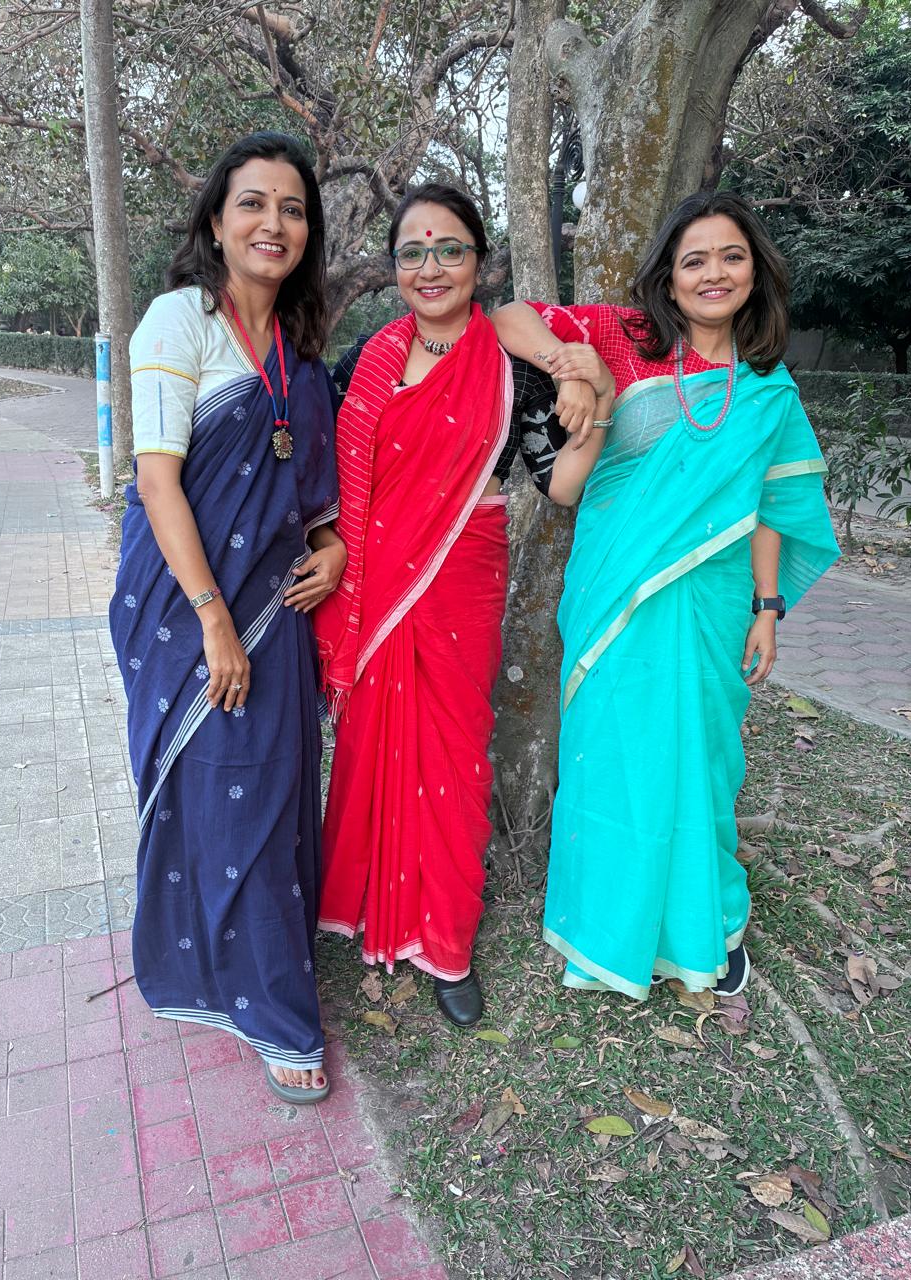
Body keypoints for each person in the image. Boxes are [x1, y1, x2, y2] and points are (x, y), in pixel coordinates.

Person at [492, 190, 839, 1001]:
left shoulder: (768, 386)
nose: (714, 274)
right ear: (670, 278)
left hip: (715, 603)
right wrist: (574, 366)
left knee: (702, 760)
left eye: (731, 257)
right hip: (613, 594)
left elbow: (773, 507)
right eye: (695, 261)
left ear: (754, 273)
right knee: (615, 755)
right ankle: (608, 929)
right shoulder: (625, 335)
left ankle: (700, 925)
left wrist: (767, 608)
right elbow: (509, 316)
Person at [314, 183, 610, 1026]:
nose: (432, 267)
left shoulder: (514, 367)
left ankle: (444, 939)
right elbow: (322, 475)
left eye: (451, 249)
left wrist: (595, 401)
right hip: (378, 581)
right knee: (371, 741)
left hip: (464, 578)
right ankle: (362, 909)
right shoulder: (366, 362)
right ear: (395, 267)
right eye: (413, 252)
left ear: (480, 261)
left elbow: (560, 486)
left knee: (454, 756)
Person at [109, 131, 346, 1102]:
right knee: (221, 787)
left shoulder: (298, 353)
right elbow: (158, 482)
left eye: (292, 208)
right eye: (253, 203)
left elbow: (312, 496)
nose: (272, 223)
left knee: (271, 793)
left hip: (277, 608)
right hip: (184, 606)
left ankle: (243, 956)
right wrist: (211, 619)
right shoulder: (180, 321)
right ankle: (273, 1010)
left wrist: (333, 548)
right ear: (216, 221)